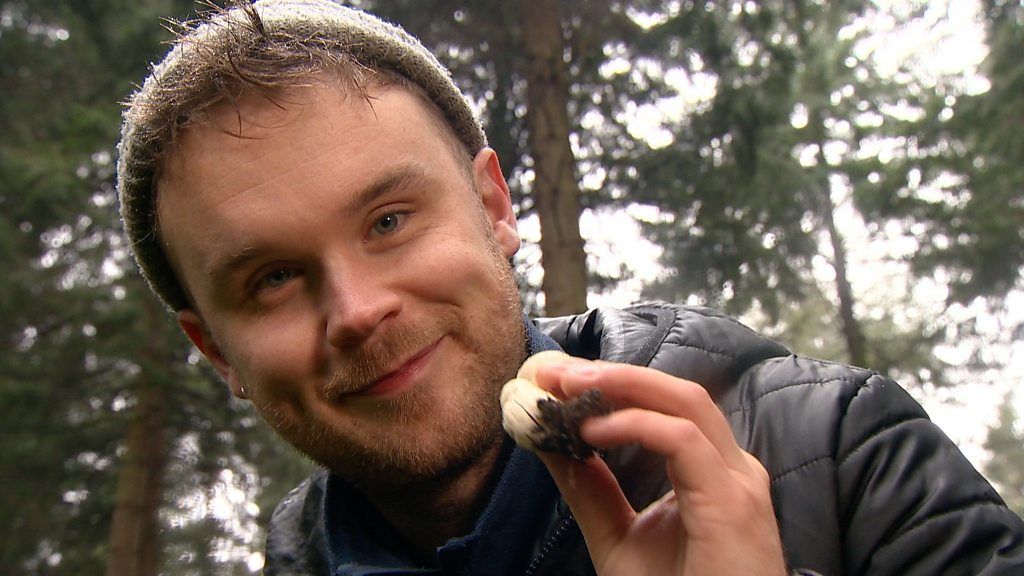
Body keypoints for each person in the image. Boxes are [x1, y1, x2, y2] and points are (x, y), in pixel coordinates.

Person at [116, 1, 1024, 574]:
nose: (357, 312)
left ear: (493, 207)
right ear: (216, 351)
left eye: (389, 220)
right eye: (272, 279)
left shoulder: (835, 455)